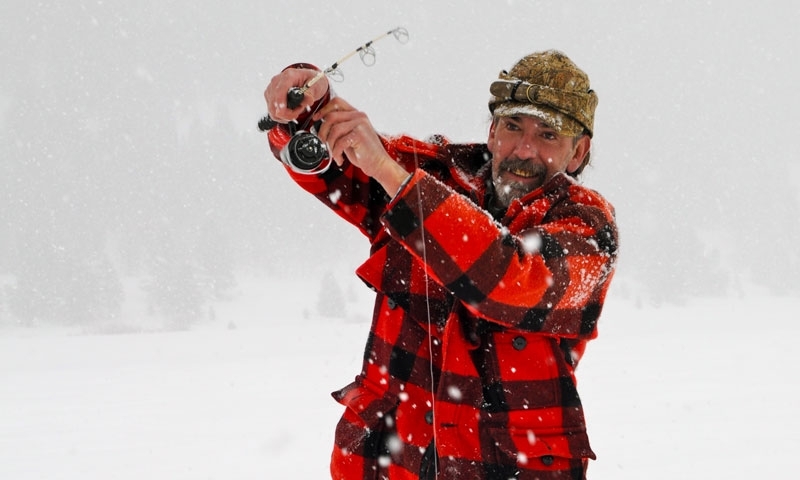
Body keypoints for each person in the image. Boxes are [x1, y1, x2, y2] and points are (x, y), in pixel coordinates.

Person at [263, 49, 618, 480]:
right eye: (512, 126)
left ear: (578, 153)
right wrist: (303, 107)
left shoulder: (588, 228)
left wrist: (389, 174)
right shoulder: (429, 172)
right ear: (491, 132)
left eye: (547, 135)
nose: (524, 149)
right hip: (389, 466)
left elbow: (509, 279)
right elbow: (331, 166)